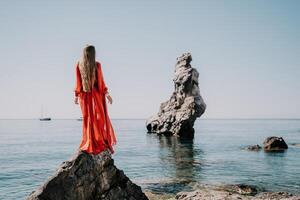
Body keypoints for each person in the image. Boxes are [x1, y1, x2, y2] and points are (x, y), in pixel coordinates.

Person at [74, 45, 116, 155]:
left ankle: (89, 142)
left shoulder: (79, 65)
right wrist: (107, 94)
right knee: (100, 119)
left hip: (84, 96)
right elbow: (101, 82)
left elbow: (78, 82)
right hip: (96, 95)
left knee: (88, 119)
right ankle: (99, 141)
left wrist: (76, 95)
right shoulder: (97, 65)